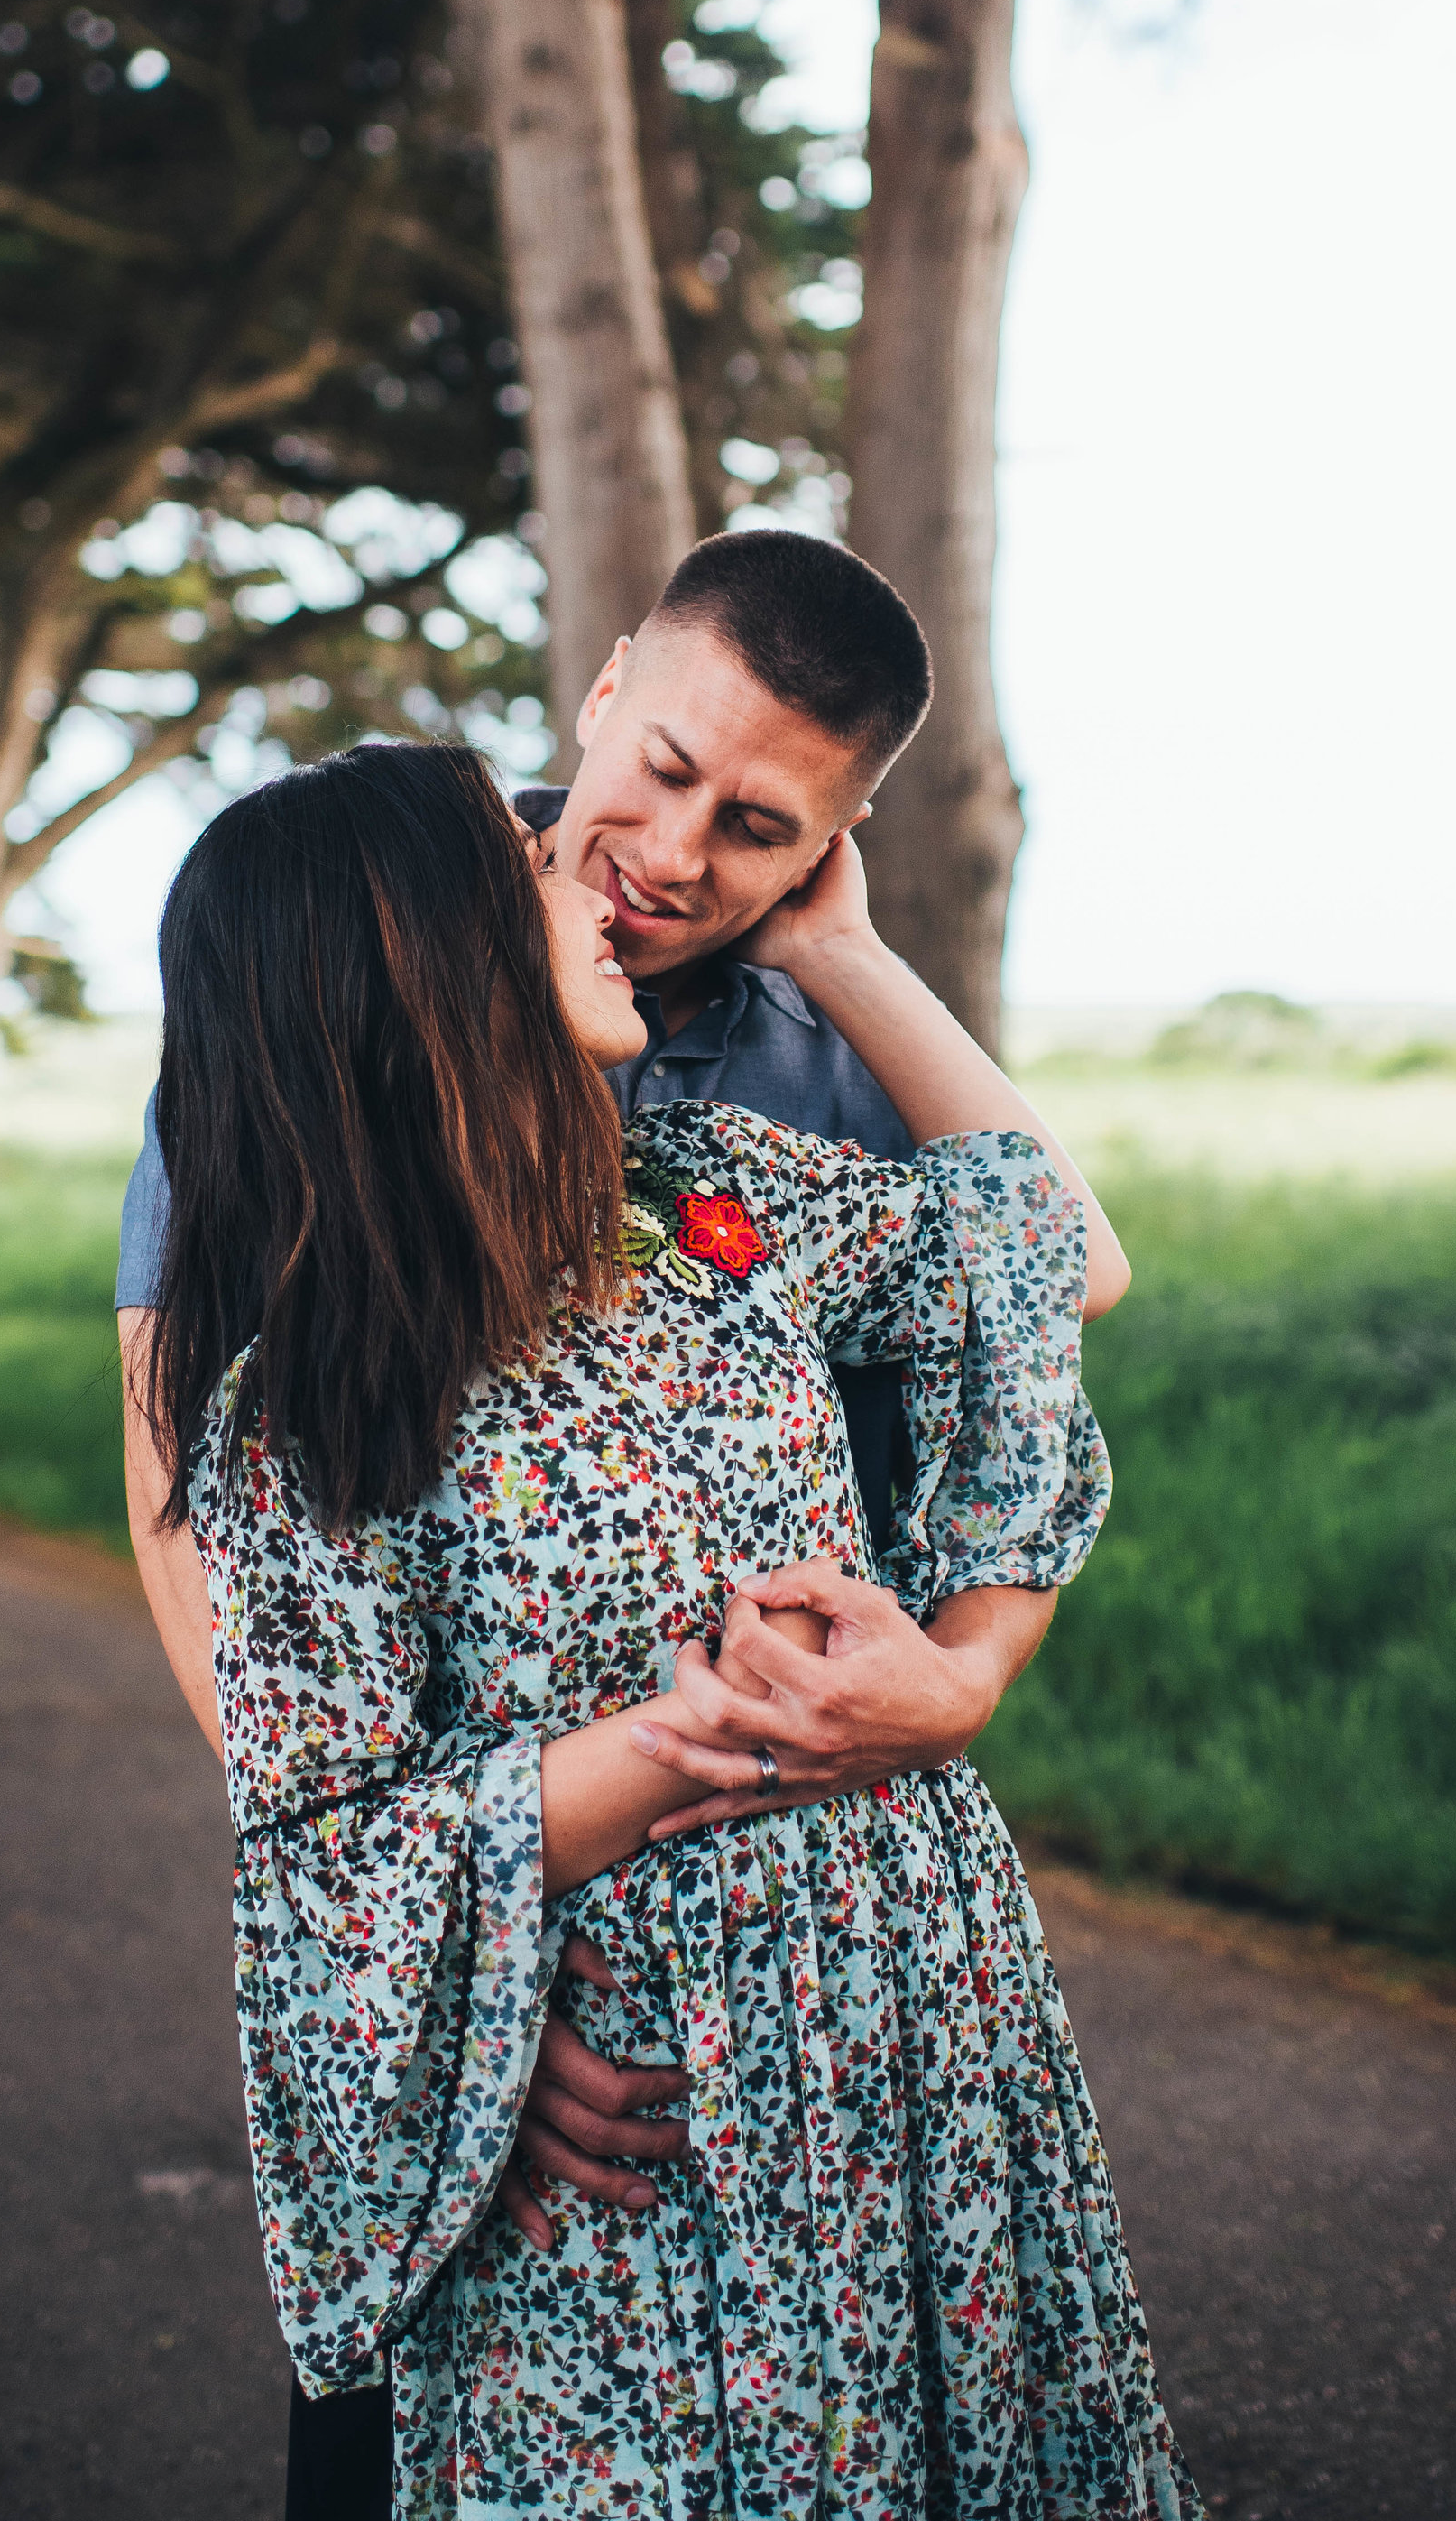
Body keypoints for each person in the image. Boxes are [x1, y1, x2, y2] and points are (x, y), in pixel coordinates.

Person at [115, 534, 1136, 2506]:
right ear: (600, 695)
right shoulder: (333, 935)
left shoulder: (754, 1125)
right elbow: (203, 1540)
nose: (659, 858)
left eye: (758, 828)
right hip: (562, 1991)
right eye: (659, 771)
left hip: (870, 1988)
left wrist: (966, 1675)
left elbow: (1040, 1271)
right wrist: (454, 2010)